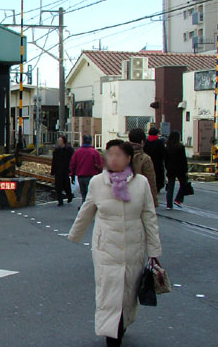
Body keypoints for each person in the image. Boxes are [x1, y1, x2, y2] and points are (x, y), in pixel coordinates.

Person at [68, 140, 162, 347]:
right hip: (106, 247)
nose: (113, 159)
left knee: (127, 292)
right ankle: (112, 335)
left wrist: (154, 250)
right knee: (108, 291)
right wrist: (75, 234)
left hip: (133, 247)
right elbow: (87, 210)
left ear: (129, 159)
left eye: (119, 155)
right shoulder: (97, 182)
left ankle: (122, 323)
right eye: (110, 154)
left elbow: (149, 216)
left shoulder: (141, 184)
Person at [128, 128, 158, 207]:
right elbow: (151, 181)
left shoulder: (121, 155)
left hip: (123, 195)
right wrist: (154, 201)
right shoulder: (145, 159)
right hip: (139, 197)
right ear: (142, 142)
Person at [70, 135, 104, 203]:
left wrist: (72, 175)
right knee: (91, 195)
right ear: (91, 141)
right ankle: (88, 209)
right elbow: (100, 165)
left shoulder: (77, 152)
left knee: (84, 194)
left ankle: (83, 206)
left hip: (80, 177)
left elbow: (73, 165)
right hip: (91, 176)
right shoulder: (94, 152)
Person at [165, 131, 188, 209]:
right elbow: (183, 159)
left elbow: (166, 160)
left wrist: (167, 167)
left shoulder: (167, 147)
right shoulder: (180, 147)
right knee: (183, 184)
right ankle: (178, 199)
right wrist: (186, 170)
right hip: (180, 169)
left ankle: (169, 205)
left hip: (170, 169)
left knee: (170, 187)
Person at [51, 135, 75, 206]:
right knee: (58, 186)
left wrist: (72, 170)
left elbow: (73, 160)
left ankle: (69, 195)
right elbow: (54, 161)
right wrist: (53, 171)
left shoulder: (69, 150)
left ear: (64, 141)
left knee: (66, 185)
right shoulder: (56, 151)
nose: (59, 142)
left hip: (66, 170)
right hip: (58, 170)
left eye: (60, 141)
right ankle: (60, 200)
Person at [144, 127, 166, 194]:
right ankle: (158, 188)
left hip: (147, 162)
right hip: (158, 163)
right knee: (158, 176)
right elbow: (163, 153)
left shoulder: (146, 142)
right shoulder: (159, 142)